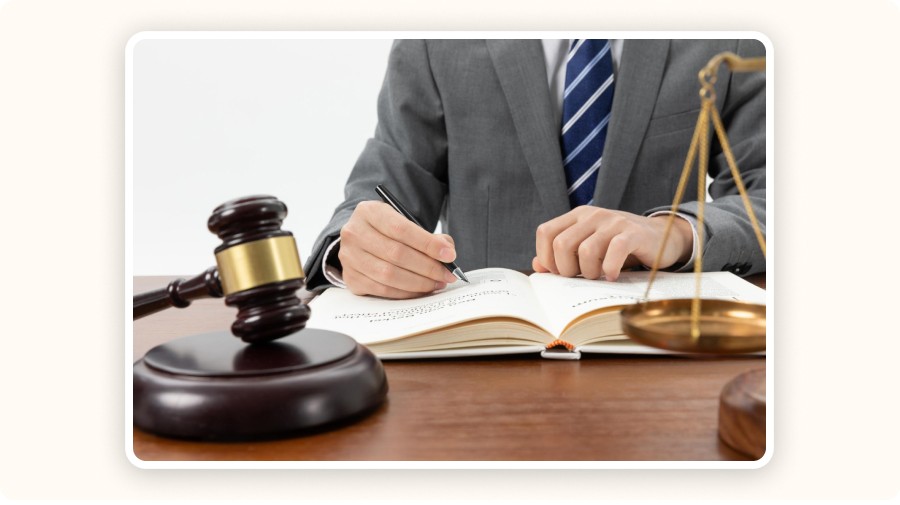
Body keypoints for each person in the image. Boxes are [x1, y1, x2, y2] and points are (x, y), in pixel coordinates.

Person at [304, 39, 766, 299]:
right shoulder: (435, 39)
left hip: (659, 348)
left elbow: (774, 198)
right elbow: (378, 191)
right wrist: (354, 251)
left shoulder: (733, 33)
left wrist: (677, 232)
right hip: (481, 354)